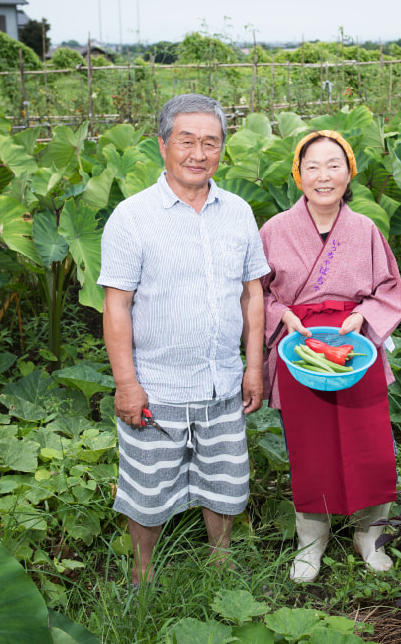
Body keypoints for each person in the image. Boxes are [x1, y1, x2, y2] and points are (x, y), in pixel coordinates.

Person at [98, 93, 270, 585]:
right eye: (186, 141)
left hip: (222, 380)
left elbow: (252, 293)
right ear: (163, 145)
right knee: (148, 486)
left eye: (210, 142)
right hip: (157, 383)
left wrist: (253, 367)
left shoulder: (237, 212)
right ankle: (142, 573)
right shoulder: (131, 217)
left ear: (222, 149)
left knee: (226, 478)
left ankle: (220, 563)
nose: (198, 153)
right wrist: (126, 383)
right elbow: (117, 306)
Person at [260, 130, 401, 583]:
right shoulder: (274, 231)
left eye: (334, 166)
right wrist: (281, 314)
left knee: (372, 448)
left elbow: (389, 291)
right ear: (298, 175)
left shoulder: (364, 229)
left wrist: (364, 316)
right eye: (313, 167)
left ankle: (371, 533)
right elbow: (254, 296)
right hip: (300, 349)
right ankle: (311, 539)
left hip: (354, 347)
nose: (324, 176)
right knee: (309, 450)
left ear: (349, 173)